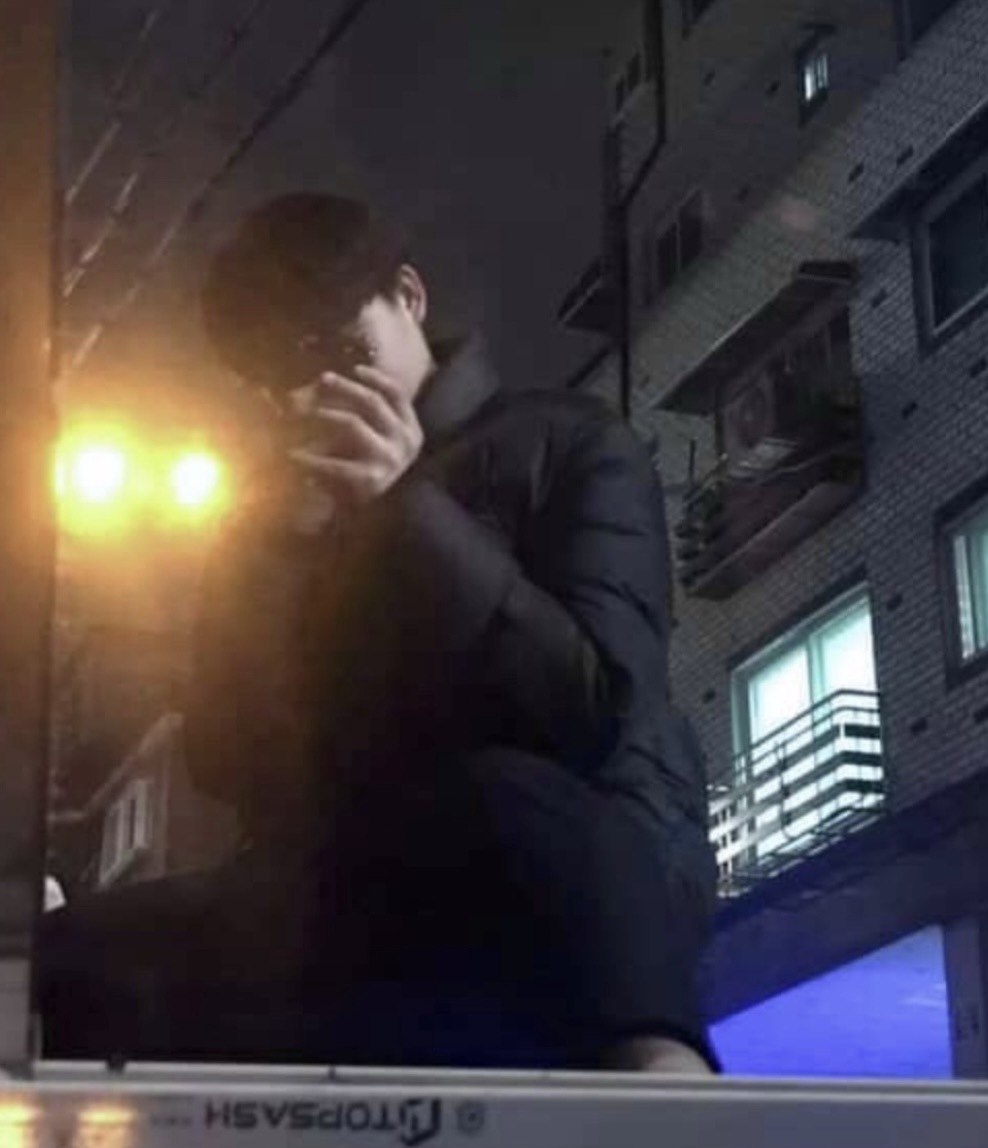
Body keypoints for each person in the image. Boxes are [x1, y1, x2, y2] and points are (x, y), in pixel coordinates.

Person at [180, 191, 721, 1074]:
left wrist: (408, 513)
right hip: (370, 887)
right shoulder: (279, 520)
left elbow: (596, 708)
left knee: (492, 789)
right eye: (281, 380)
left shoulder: (569, 442)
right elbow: (223, 765)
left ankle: (660, 1067)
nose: (318, 396)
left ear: (409, 297)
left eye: (344, 354)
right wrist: (255, 573)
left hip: (588, 860)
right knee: (93, 949)